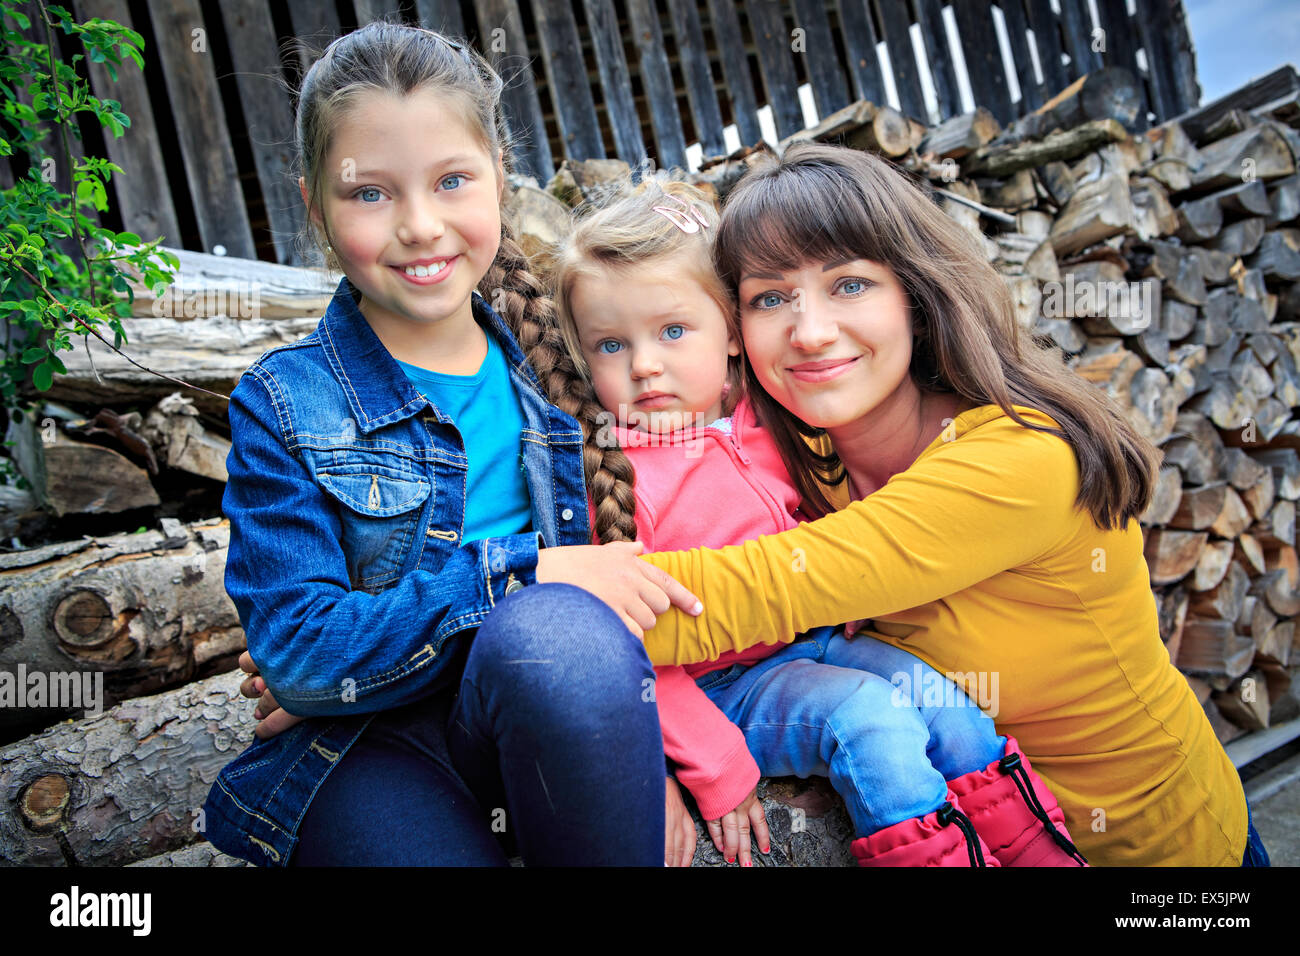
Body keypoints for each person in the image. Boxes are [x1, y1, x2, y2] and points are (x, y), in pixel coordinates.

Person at [633, 143, 1269, 867]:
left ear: (914, 291)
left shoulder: (1019, 458)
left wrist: (519, 589)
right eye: (769, 298)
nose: (808, 331)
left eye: (848, 285)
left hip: (1162, 857)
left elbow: (756, 594)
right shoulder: (803, 465)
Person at [201, 21, 703, 867]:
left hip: (548, 715)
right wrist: (524, 572)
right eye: (371, 193)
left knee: (561, 637)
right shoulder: (285, 403)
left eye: (452, 181)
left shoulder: (565, 364)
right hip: (362, 750)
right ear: (315, 206)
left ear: (500, 181)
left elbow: (631, 571)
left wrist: (644, 745)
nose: (421, 226)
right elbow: (303, 657)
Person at [548, 179, 1088, 867]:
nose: (646, 364)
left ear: (733, 337)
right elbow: (623, 650)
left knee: (948, 707)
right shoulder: (617, 478)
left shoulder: (773, 427)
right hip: (727, 686)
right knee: (868, 721)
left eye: (673, 331)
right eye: (610, 345)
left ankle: (1046, 857)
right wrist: (713, 766)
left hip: (819, 642)